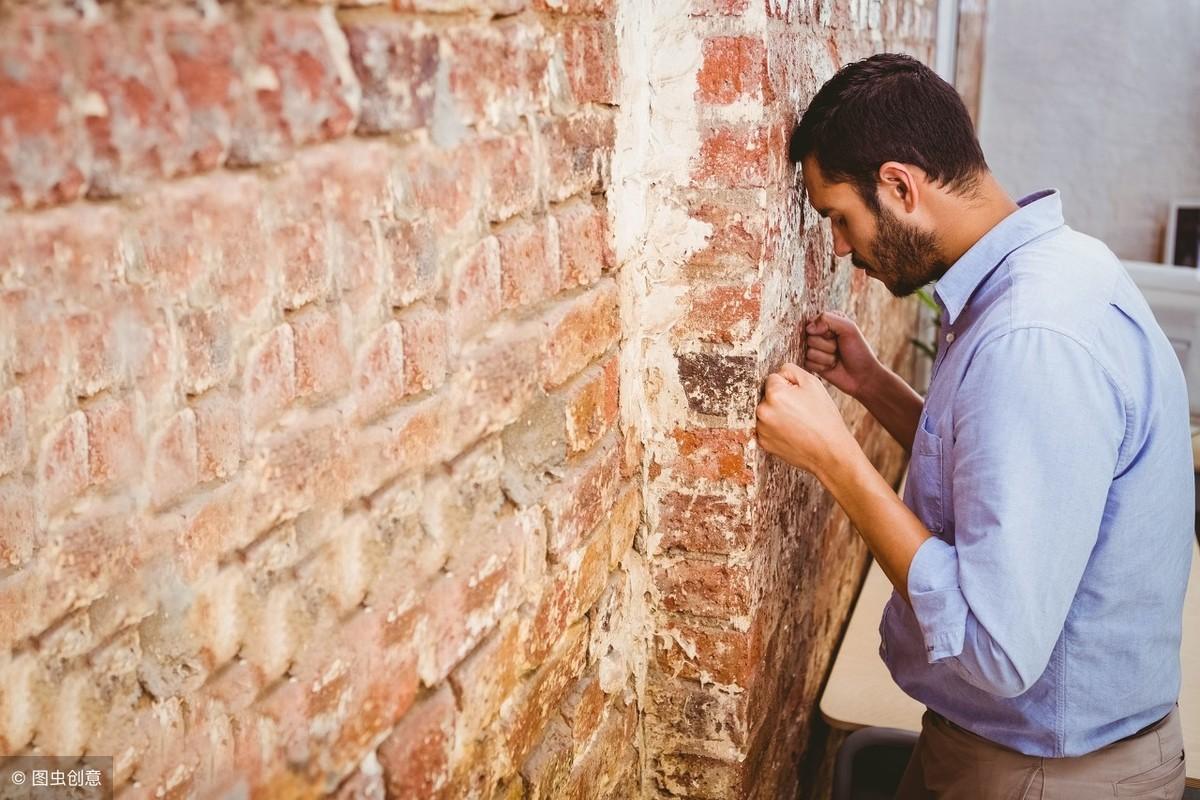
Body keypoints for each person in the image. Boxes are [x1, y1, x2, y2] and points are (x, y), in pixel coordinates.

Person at [754, 53, 1192, 798]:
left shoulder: (1032, 336)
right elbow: (1008, 467)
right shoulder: (1051, 270)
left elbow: (995, 648)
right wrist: (872, 387)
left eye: (839, 218)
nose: (838, 248)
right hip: (1023, 755)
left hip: (1046, 777)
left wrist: (835, 460)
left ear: (900, 186)